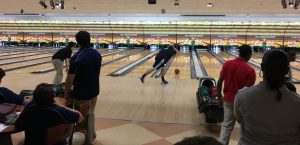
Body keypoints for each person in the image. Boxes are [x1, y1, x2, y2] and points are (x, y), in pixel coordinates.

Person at [234, 49, 300, 145]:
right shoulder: (297, 102)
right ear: (287, 71)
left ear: (262, 67)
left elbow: (240, 120)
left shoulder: (242, 96)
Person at [64, 31, 102, 145]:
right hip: (94, 90)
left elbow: (69, 79)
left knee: (82, 118)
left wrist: (66, 93)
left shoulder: (77, 57)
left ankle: (87, 142)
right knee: (91, 114)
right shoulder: (97, 54)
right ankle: (93, 134)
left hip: (81, 93)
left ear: (77, 42)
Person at [15, 83, 84, 145]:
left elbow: (18, 125)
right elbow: (80, 117)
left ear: (34, 98)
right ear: (52, 98)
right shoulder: (58, 111)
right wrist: (59, 105)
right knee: (81, 136)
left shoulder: (29, 109)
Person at [217, 44, 256, 145]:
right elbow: (248, 92)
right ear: (249, 54)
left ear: (239, 53)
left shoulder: (227, 64)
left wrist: (219, 97)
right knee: (245, 127)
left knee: (226, 125)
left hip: (228, 99)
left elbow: (220, 81)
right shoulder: (250, 71)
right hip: (242, 102)